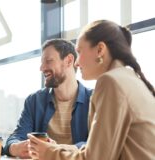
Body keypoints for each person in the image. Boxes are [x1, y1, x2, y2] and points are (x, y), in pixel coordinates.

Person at [28, 20, 155, 160]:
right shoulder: (130, 79)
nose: (77, 63)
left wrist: (48, 153)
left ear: (100, 49)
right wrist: (56, 149)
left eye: (79, 52)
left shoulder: (110, 82)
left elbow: (94, 158)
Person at [4, 39, 92, 158]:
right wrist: (16, 148)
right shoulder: (34, 100)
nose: (42, 68)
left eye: (48, 61)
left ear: (69, 60)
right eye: (42, 62)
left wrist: (56, 150)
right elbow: (16, 137)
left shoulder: (94, 99)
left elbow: (97, 144)